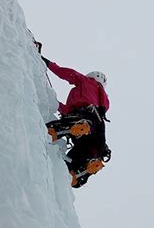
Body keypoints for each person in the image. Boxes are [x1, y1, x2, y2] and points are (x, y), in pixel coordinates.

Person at [40, 54, 111, 187]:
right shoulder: (104, 101)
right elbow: (65, 109)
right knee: (83, 154)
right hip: (97, 133)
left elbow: (65, 73)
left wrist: (47, 63)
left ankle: (68, 127)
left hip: (84, 116)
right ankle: (82, 169)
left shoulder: (85, 81)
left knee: (74, 122)